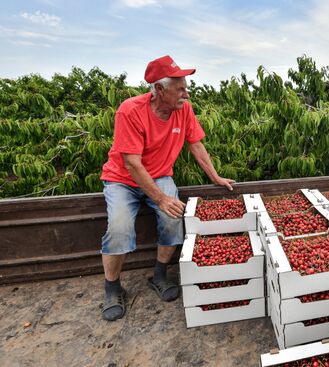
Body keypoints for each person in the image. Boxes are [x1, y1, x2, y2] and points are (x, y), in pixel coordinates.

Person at [99, 55, 235, 321]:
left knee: (174, 220)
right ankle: (112, 288)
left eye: (185, 86)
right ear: (159, 89)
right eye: (180, 88)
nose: (186, 93)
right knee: (119, 228)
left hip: (159, 175)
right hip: (123, 180)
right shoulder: (130, 111)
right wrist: (161, 199)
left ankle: (159, 275)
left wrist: (215, 177)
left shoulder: (184, 109)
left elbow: (195, 144)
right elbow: (132, 163)